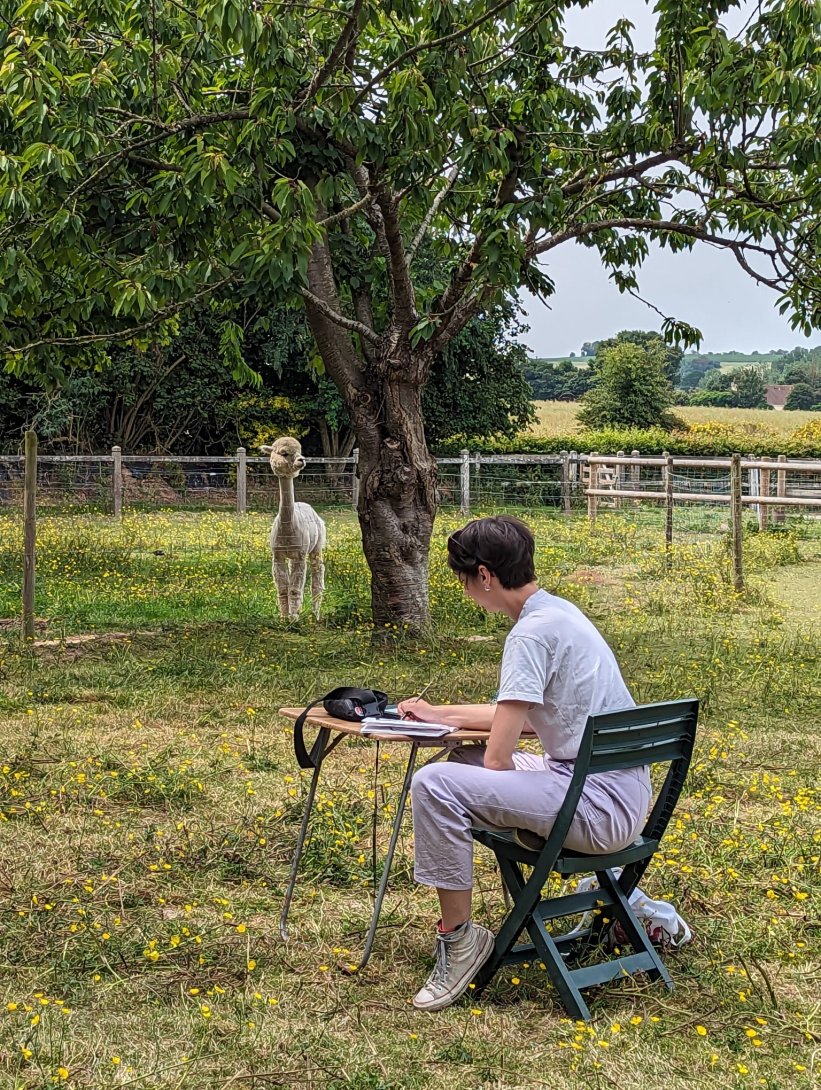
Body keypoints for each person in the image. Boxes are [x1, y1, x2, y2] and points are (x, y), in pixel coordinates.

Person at [399, 515, 651, 1012]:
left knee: (435, 783)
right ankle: (625, 903)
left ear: (485, 575)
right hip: (618, 791)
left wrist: (483, 784)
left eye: (464, 580)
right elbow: (531, 718)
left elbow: (498, 757)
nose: (467, 591)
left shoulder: (528, 637)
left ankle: (460, 939)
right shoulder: (559, 614)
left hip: (595, 806)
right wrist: (441, 714)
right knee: (460, 759)